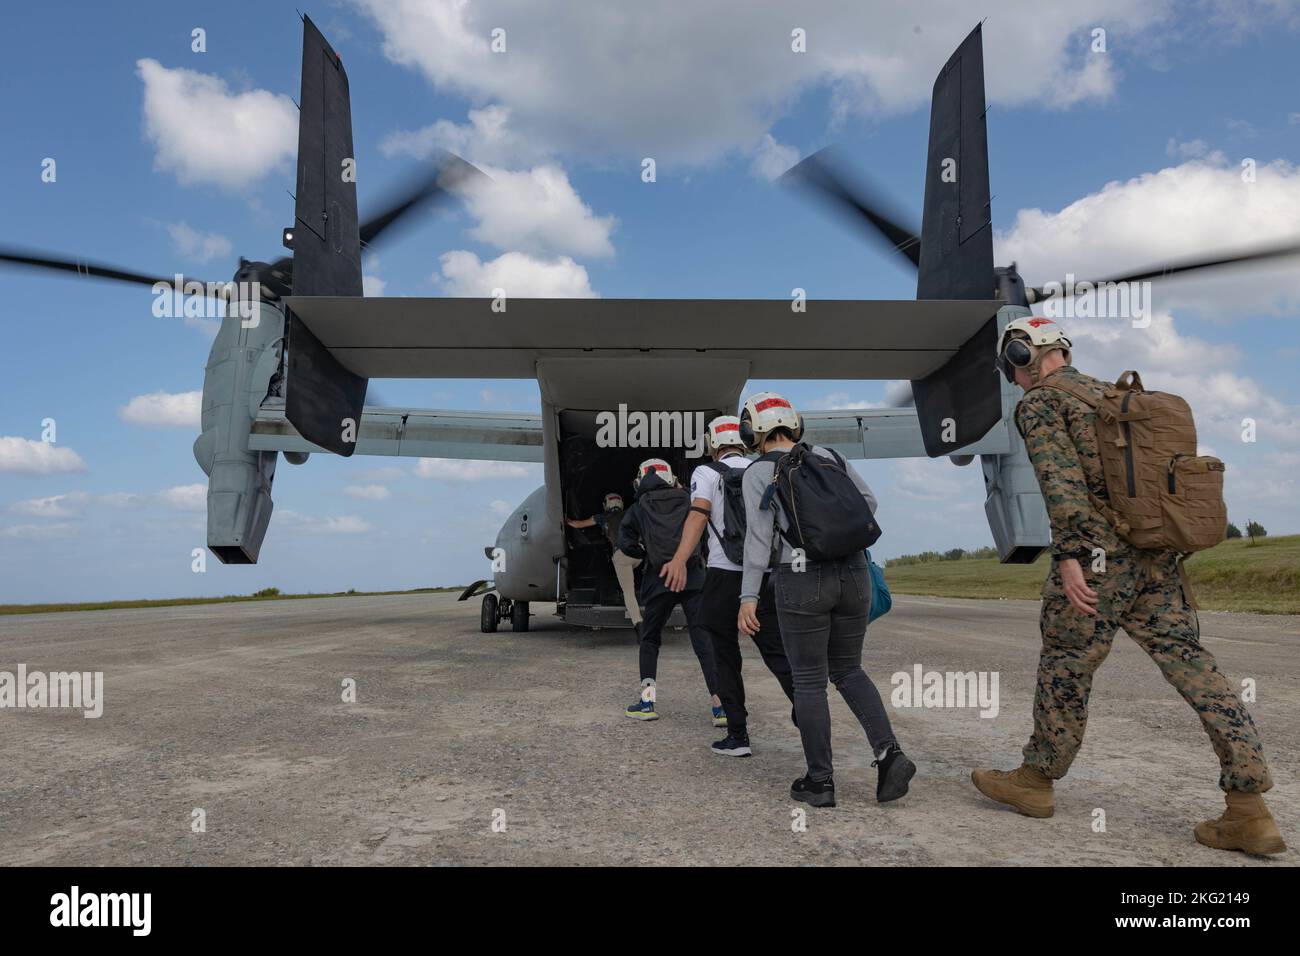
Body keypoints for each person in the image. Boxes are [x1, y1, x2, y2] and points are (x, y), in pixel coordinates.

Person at [971, 316, 1285, 855]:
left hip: (1097, 557)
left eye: (1011, 365)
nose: (1012, 376)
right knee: (1194, 667)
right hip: (1158, 557)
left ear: (1022, 357)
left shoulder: (1042, 403)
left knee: (1067, 665)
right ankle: (1249, 807)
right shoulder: (1115, 397)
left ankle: (1036, 781)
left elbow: (1060, 483)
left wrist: (1071, 555)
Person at [737, 392, 915, 807]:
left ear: (753, 430)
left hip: (800, 578)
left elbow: (759, 540)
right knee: (849, 670)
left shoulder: (758, 473)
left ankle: (820, 782)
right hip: (854, 573)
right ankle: (890, 753)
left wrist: (748, 596)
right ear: (793, 423)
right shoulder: (829, 456)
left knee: (809, 681)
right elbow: (867, 503)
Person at [660, 416, 798, 756]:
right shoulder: (760, 468)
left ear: (712, 444)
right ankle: (806, 709)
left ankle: (737, 735)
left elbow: (698, 515)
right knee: (776, 650)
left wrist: (679, 559)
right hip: (763, 573)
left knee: (724, 653)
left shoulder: (706, 473)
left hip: (723, 574)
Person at [617, 459, 722, 723]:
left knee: (650, 640)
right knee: (703, 640)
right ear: (671, 478)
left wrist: (646, 554)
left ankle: (647, 702)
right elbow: (705, 531)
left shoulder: (639, 507)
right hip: (694, 577)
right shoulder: (688, 499)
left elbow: (624, 541)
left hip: (659, 578)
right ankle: (720, 705)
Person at [565, 493, 642, 628]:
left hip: (622, 556)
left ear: (606, 505)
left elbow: (578, 524)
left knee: (628, 591)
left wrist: (566, 520)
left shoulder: (602, 517)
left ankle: (638, 623)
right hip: (639, 554)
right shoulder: (631, 513)